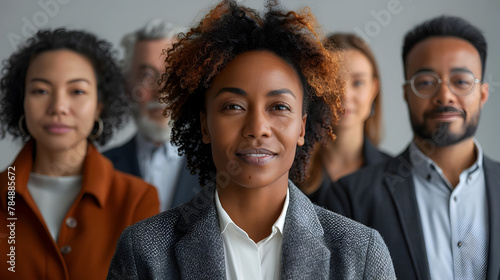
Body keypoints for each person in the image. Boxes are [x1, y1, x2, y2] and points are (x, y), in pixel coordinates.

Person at [107, 1, 396, 279]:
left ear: (302, 128)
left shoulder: (361, 253)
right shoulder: (143, 251)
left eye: (279, 107)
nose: (257, 128)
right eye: (233, 106)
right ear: (204, 124)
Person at [316, 16, 500, 280]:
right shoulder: (350, 197)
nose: (445, 95)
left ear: (482, 94)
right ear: (406, 93)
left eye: (461, 81)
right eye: (426, 82)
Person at [0, 29, 159, 280]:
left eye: (77, 91)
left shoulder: (138, 200)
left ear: (99, 105)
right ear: (22, 101)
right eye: (40, 91)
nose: (58, 107)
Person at [103, 19, 199, 211]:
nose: (162, 91)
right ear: (127, 86)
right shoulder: (102, 169)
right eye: (146, 76)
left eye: (172, 75)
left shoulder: (220, 164)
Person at [299, 33, 391, 197]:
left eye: (358, 82)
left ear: (373, 90)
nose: (345, 95)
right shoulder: (290, 171)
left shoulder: (395, 176)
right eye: (334, 82)